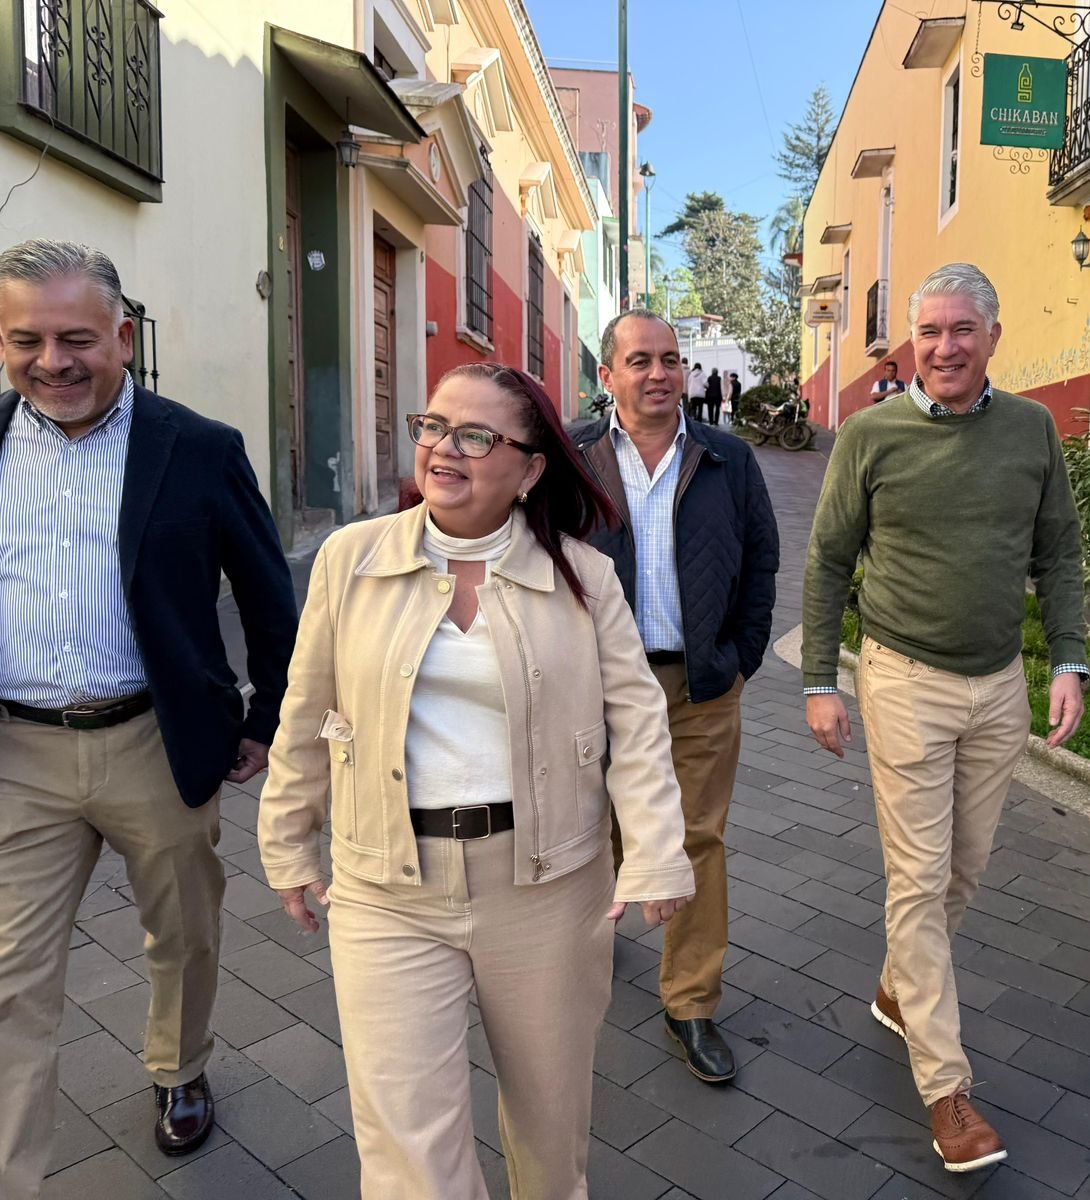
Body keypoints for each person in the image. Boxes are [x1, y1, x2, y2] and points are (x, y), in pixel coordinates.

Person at [257, 363, 695, 1199]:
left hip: (545, 887)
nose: (442, 448)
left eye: (475, 435)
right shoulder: (351, 560)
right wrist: (287, 840)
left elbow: (638, 722)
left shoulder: (584, 577)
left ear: (530, 468)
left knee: (549, 1129)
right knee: (407, 1151)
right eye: (433, 426)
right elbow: (306, 709)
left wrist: (655, 852)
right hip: (387, 886)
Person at [0, 239, 297, 1192]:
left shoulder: (199, 448)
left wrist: (269, 715)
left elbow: (269, 594)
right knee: (10, 979)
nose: (52, 361)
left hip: (155, 738)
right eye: (26, 340)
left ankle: (180, 1067)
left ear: (123, 338)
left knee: (184, 932)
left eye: (76, 339)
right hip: (18, 752)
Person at [802, 263, 1088, 1172]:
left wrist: (1069, 660)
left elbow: (1060, 552)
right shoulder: (871, 434)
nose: (945, 347)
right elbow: (828, 560)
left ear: (994, 336)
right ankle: (946, 1088)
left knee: (964, 868)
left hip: (998, 685)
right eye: (929, 332)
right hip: (904, 679)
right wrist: (819, 679)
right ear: (912, 343)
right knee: (920, 882)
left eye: (963, 329)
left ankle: (900, 985)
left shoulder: (1032, 429)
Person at [574, 311, 779, 1085]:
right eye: (640, 361)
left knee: (697, 839)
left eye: (670, 359)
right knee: (596, 832)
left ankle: (690, 1000)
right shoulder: (571, 459)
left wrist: (737, 660)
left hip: (699, 687)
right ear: (608, 375)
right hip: (595, 690)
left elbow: (761, 561)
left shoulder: (728, 458)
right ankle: (590, 945)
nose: (659, 373)